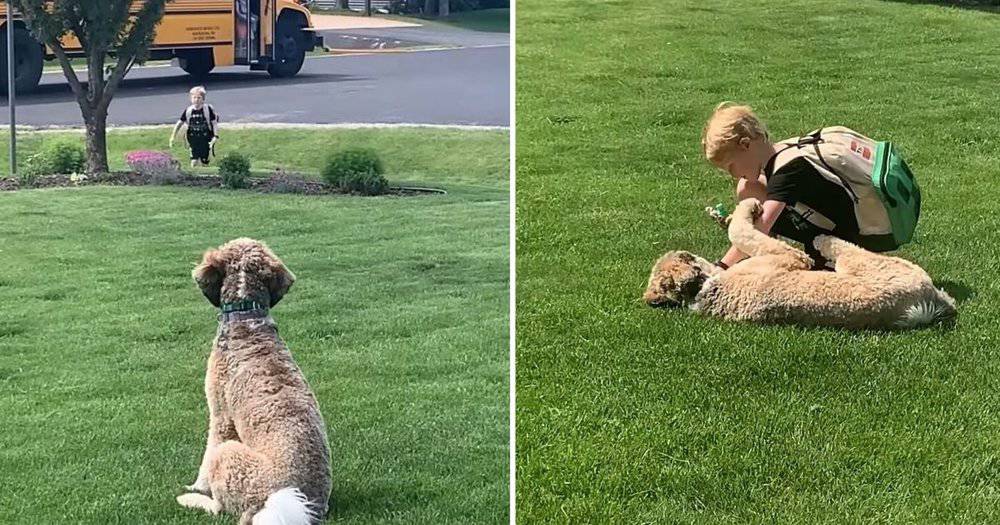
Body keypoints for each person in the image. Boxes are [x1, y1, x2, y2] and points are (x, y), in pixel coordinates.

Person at [701, 102, 913, 270]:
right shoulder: (786, 150)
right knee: (748, 188)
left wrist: (721, 267)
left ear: (746, 145)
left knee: (752, 198)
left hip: (862, 235)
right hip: (848, 218)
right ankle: (769, 257)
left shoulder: (787, 172)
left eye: (731, 167)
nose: (733, 175)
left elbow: (758, 230)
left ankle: (824, 260)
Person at [170, 86, 220, 167]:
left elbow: (214, 123)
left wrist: (215, 136)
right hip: (193, 138)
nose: (196, 100)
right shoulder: (188, 111)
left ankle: (205, 171)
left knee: (205, 159)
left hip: (205, 137)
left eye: (199, 98)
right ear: (191, 99)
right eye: (194, 97)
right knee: (194, 159)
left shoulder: (207, 110)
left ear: (203, 99)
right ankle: (193, 172)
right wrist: (173, 136)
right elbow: (180, 123)